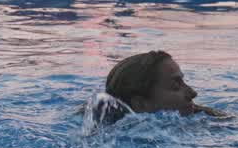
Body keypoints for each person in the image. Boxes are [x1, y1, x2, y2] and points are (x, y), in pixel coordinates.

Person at [91, 50, 222, 124]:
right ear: (141, 104)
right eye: (175, 85)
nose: (193, 93)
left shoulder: (207, 118)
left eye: (182, 81)